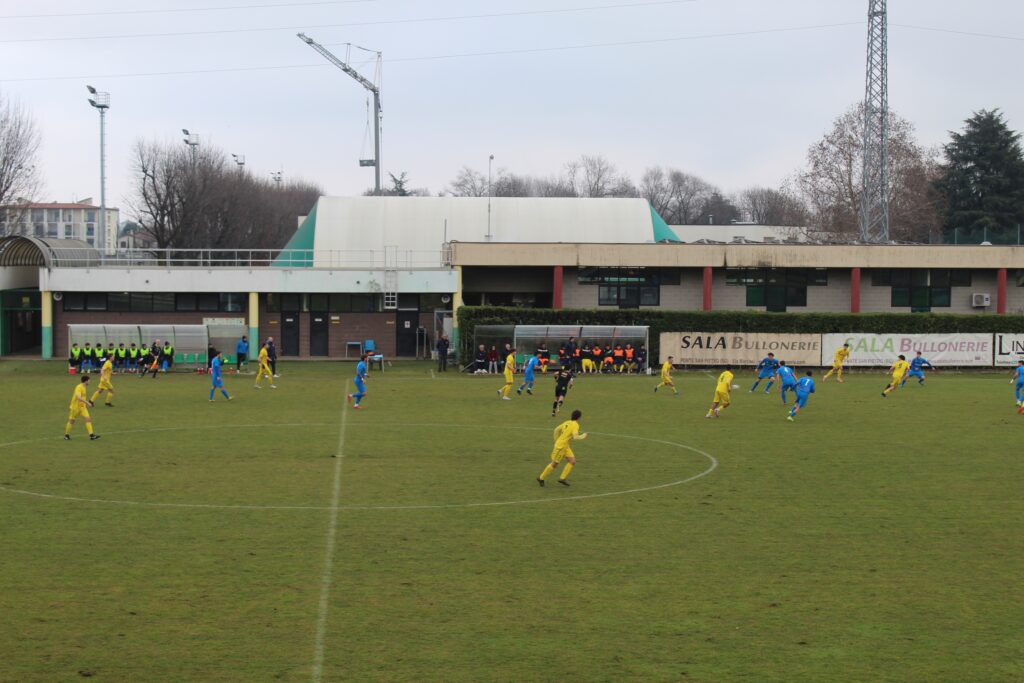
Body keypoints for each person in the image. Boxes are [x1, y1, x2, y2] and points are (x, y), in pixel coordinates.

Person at [537, 409, 587, 487]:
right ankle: (541, 478)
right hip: (561, 447)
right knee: (554, 464)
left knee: (572, 461)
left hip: (565, 446)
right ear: (579, 417)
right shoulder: (575, 425)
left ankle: (562, 478)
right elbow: (576, 437)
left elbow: (556, 430)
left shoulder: (567, 422)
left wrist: (556, 440)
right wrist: (583, 435)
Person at [64, 375, 100, 441]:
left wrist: (85, 404)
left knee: (88, 418)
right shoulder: (79, 387)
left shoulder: (84, 386)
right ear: (86, 381)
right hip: (75, 407)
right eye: (89, 380)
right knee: (72, 421)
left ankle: (92, 435)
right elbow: (79, 398)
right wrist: (88, 403)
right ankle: (66, 435)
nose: (90, 381)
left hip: (82, 407)